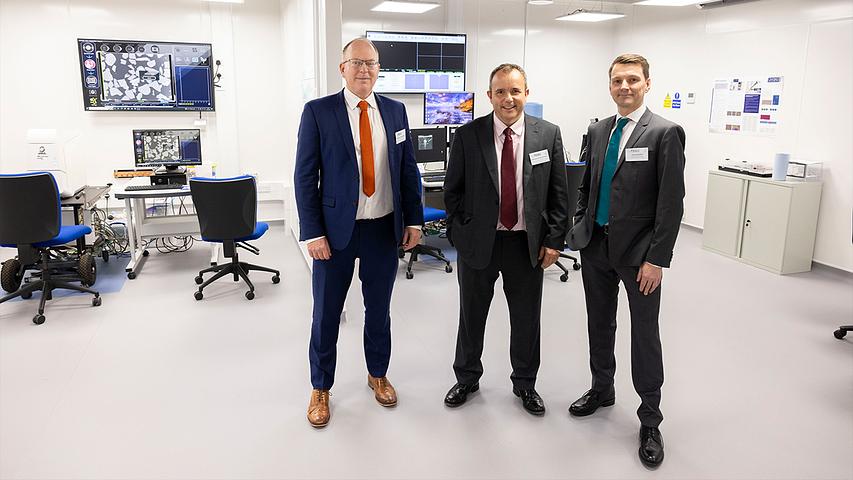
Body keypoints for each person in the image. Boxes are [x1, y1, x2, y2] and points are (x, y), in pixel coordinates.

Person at [294, 37, 423, 428]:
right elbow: (304, 176)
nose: (364, 70)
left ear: (378, 68)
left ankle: (378, 374)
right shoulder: (318, 112)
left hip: (384, 228)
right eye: (357, 63)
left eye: (371, 63)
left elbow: (407, 170)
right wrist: (313, 232)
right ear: (342, 68)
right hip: (335, 234)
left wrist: (414, 220)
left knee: (379, 310)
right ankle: (321, 387)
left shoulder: (396, 112)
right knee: (326, 314)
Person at [566, 53, 686, 467]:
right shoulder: (599, 129)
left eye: (633, 80)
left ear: (647, 84)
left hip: (639, 257)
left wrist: (657, 259)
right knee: (599, 324)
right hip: (596, 248)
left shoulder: (665, 133)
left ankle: (650, 419)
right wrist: (580, 224)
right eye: (617, 80)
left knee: (644, 335)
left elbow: (671, 204)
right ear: (610, 85)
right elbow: (587, 184)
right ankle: (602, 389)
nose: (625, 87)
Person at [442, 63, 569, 416]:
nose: (508, 98)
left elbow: (560, 194)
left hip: (526, 244)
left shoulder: (548, 134)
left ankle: (525, 384)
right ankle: (467, 377)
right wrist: (459, 235)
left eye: (515, 90)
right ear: (489, 96)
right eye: (500, 91)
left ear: (526, 93)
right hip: (478, 244)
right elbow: (452, 193)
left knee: (527, 318)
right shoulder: (469, 135)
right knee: (472, 316)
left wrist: (554, 240)